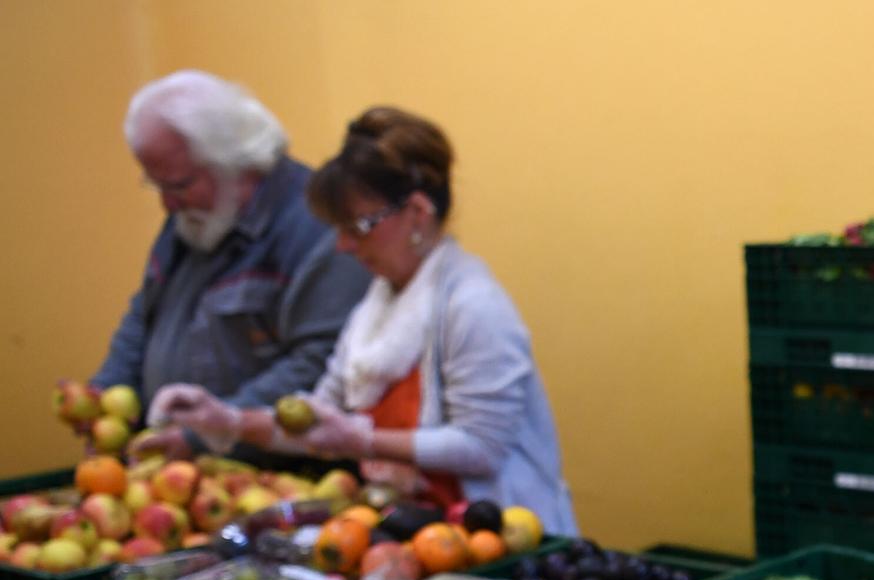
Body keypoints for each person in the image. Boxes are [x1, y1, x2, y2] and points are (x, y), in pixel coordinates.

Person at [152, 107, 577, 535]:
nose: (342, 245)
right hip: (417, 535)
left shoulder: (472, 305)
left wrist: (362, 441)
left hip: (499, 540)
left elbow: (481, 447)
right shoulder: (374, 308)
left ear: (417, 212)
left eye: (357, 226)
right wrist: (228, 421)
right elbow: (320, 419)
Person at [96, 70, 370, 461]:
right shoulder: (195, 215)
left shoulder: (316, 228)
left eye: (179, 185)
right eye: (157, 185)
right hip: (176, 470)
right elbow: (146, 315)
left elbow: (320, 363)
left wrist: (206, 433)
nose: (167, 204)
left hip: (274, 474)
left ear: (237, 163)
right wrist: (106, 393)